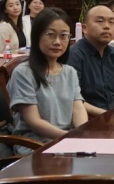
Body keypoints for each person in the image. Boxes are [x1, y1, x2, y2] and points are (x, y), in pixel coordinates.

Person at [7, 8, 87, 152]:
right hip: (35, 145)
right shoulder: (23, 73)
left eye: (64, 36)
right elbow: (33, 121)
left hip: (66, 141)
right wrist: (70, 137)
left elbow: (78, 108)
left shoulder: (70, 72)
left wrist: (81, 133)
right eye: (50, 34)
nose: (57, 42)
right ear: (37, 36)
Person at [67, 5, 114, 116]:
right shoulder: (74, 55)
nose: (107, 26)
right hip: (87, 120)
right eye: (100, 21)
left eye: (111, 22)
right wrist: (108, 115)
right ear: (84, 28)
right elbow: (73, 100)